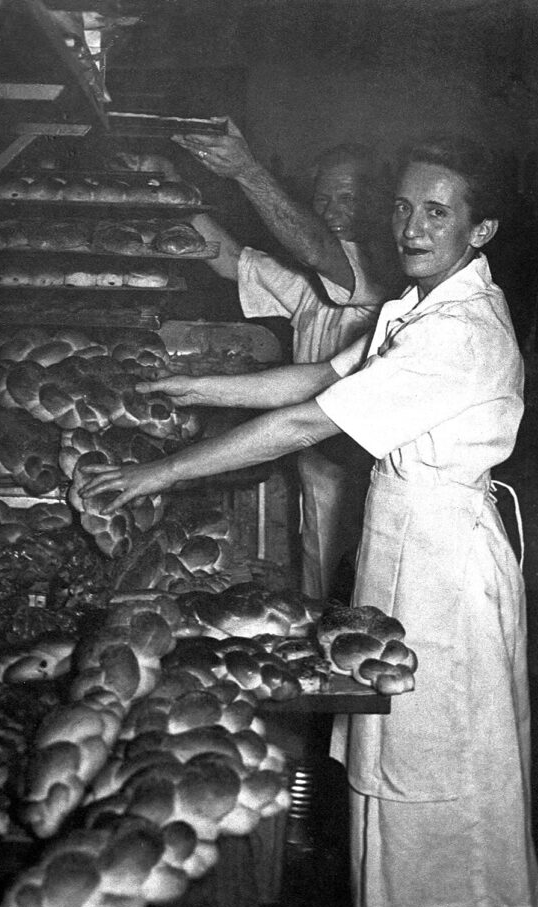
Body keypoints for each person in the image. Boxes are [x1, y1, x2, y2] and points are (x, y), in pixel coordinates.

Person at [80, 134, 538, 907]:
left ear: (478, 229)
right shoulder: (413, 305)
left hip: (448, 564)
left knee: (473, 771)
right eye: (403, 207)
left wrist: (159, 473)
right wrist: (189, 389)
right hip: (400, 544)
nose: (410, 225)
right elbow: (317, 374)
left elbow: (304, 423)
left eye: (435, 212)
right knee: (393, 761)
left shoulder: (462, 332)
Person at [172, 121, 400, 602]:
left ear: (382, 204)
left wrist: (247, 171)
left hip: (363, 473)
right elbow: (233, 260)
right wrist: (167, 194)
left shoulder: (387, 273)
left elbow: (317, 248)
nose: (333, 212)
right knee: (323, 595)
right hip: (315, 465)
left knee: (366, 601)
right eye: (323, 198)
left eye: (349, 197)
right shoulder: (315, 288)